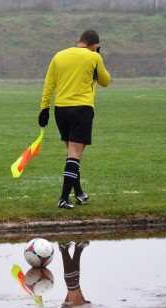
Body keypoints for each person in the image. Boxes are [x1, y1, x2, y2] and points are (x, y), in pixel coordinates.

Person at [38, 30, 111, 210]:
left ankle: (79, 194)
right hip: (81, 110)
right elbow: (105, 81)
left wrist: (44, 109)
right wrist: (96, 56)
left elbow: (49, 84)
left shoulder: (59, 56)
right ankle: (63, 199)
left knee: (72, 153)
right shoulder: (94, 57)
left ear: (79, 40)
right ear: (95, 45)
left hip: (60, 110)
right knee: (75, 154)